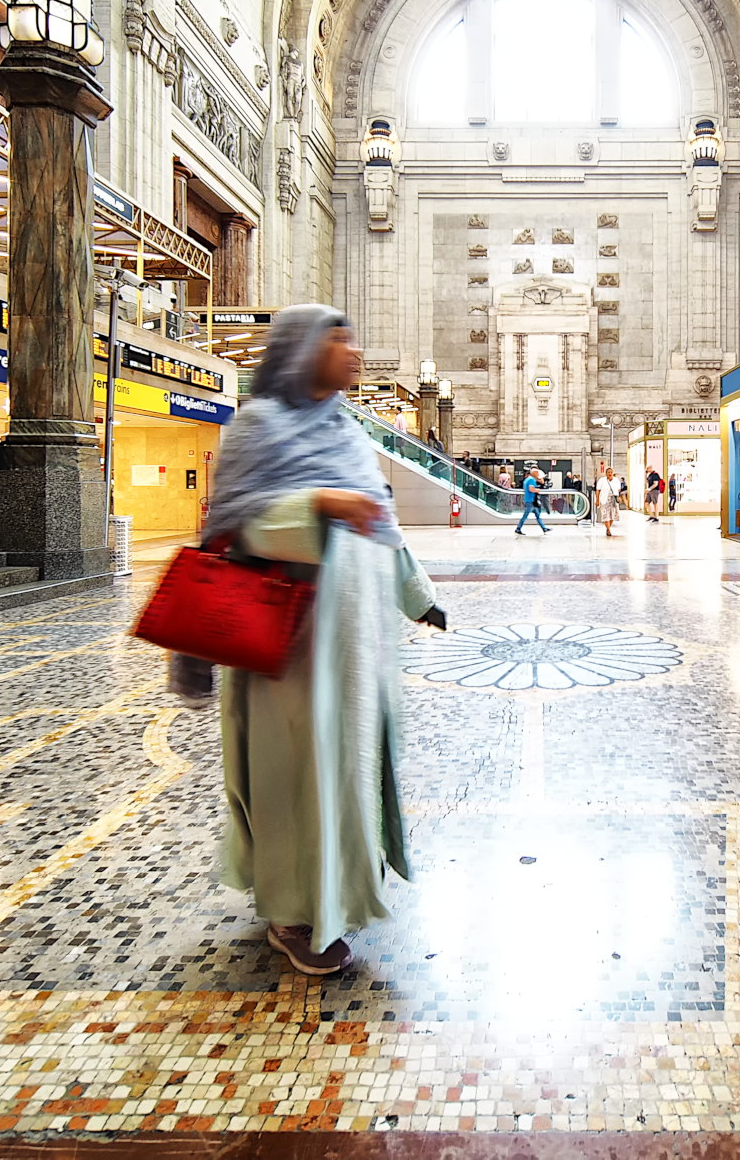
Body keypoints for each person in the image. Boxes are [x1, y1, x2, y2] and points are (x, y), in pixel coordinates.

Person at [185, 304, 447, 976]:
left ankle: (331, 892)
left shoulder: (346, 432)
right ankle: (292, 911)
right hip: (290, 648)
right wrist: (319, 505)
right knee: (293, 776)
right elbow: (236, 527)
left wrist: (418, 595)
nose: (354, 349)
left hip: (353, 646)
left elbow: (380, 523)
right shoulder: (258, 428)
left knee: (343, 773)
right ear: (302, 350)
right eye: (339, 337)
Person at [516, 468, 549, 534]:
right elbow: (531, 489)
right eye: (537, 473)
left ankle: (544, 528)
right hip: (530, 501)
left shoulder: (527, 479)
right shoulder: (531, 480)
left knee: (537, 516)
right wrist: (537, 490)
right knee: (525, 516)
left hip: (530, 500)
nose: (538, 474)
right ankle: (518, 528)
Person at [595, 465, 619, 536]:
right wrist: (597, 500)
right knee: (605, 515)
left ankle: (608, 528)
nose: (610, 473)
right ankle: (608, 530)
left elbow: (618, 489)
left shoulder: (616, 480)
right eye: (608, 472)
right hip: (604, 500)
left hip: (613, 500)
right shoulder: (602, 480)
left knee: (612, 515)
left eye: (611, 472)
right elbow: (598, 490)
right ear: (606, 473)